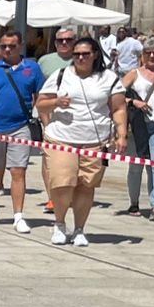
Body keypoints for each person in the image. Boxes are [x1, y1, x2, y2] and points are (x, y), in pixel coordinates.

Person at [36, 36, 123, 248]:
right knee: (62, 183)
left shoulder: (109, 78)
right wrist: (56, 102)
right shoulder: (61, 75)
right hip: (61, 138)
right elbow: (41, 104)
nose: (80, 58)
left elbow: (119, 108)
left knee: (86, 185)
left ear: (95, 54)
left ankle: (79, 229)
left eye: (85, 54)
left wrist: (121, 134)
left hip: (95, 140)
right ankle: (59, 224)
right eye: (76, 54)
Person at [0, 29, 44, 234]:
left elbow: (40, 96)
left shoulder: (32, 68)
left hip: (20, 127)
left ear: (20, 46)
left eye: (12, 46)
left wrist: (39, 119)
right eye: (3, 46)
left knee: (18, 170)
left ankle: (18, 215)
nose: (7, 49)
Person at [118, 39, 154, 218]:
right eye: (148, 52)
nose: (152, 56)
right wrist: (134, 102)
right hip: (137, 126)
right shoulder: (134, 74)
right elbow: (116, 96)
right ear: (142, 55)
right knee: (136, 166)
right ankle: (134, 203)